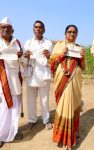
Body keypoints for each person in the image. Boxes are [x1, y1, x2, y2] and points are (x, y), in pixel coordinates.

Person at [50, 25, 86, 149]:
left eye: (74, 32)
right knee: (62, 106)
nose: (72, 34)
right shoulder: (59, 45)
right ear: (65, 33)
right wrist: (61, 54)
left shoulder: (79, 47)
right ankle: (60, 136)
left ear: (77, 34)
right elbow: (51, 64)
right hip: (62, 79)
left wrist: (82, 57)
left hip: (75, 79)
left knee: (73, 106)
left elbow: (83, 66)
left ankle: (72, 134)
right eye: (69, 32)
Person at [24, 20, 53, 130]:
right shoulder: (28, 43)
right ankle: (32, 120)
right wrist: (26, 56)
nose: (38, 29)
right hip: (31, 75)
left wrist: (49, 56)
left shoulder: (48, 43)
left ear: (44, 29)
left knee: (44, 99)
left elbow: (52, 59)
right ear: (33, 29)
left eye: (40, 27)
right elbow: (23, 59)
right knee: (30, 99)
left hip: (44, 75)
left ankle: (46, 120)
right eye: (36, 27)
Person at [0, 17, 23, 148]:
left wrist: (22, 57)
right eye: (2, 27)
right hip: (1, 83)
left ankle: (12, 131)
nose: (5, 30)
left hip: (14, 81)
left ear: (12, 30)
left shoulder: (17, 43)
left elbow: (25, 62)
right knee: (2, 109)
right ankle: (1, 134)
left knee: (14, 107)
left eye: (7, 28)